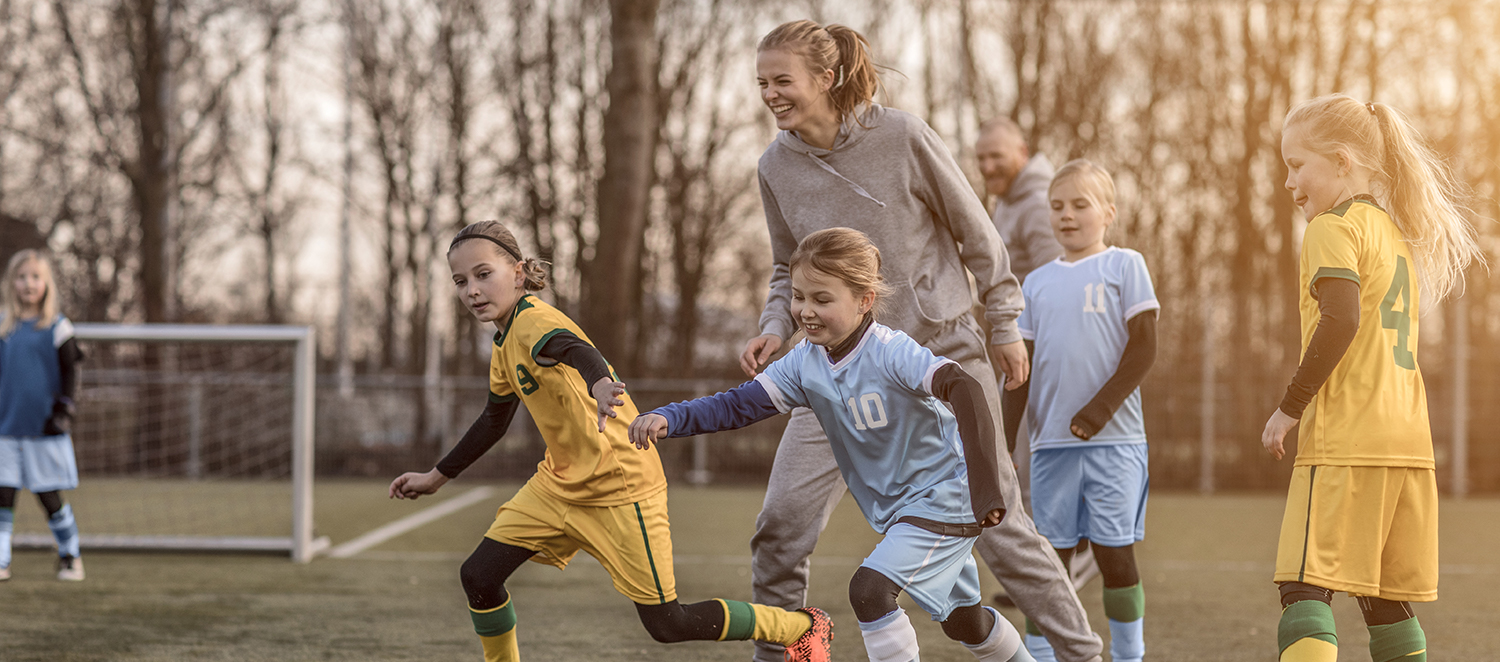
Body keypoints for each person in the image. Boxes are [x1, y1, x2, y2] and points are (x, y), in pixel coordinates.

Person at [740, 19, 1102, 662]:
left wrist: (1003, 324)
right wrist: (775, 328)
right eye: (762, 82)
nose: (770, 93)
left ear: (826, 79)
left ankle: (1083, 656)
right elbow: (782, 266)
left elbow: (978, 236)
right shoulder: (775, 166)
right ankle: (784, 655)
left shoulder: (902, 136)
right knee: (780, 528)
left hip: (944, 360)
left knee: (1003, 526)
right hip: (837, 373)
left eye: (782, 80)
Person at [388, 221, 832, 662]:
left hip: (621, 486)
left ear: (519, 273)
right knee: (479, 577)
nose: (472, 290)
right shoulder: (505, 342)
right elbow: (493, 420)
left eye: (484, 275)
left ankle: (801, 628)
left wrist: (600, 382)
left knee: (668, 624)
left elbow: (573, 349)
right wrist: (435, 477)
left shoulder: (533, 320)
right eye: (461, 281)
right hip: (557, 485)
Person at [634, 228, 1035, 662]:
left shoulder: (891, 352)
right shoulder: (804, 362)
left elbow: (965, 388)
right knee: (965, 622)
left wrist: (986, 487)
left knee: (869, 591)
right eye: (799, 296)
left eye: (822, 300)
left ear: (864, 300)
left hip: (944, 500)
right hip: (902, 513)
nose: (805, 311)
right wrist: (671, 417)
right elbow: (737, 406)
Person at [1262, 94, 1484, 662]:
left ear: (1341, 161)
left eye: (1296, 164)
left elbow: (1341, 320)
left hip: (1345, 439)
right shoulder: (1395, 234)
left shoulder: (1332, 229)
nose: (1289, 182)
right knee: (1384, 602)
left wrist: (1289, 406)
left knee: (1304, 589)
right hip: (1407, 444)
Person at [1000, 160, 1158, 662]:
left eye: (1080, 205)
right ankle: (1043, 656)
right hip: (1051, 449)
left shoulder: (1125, 265)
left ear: (1107, 212)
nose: (1067, 216)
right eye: (1057, 207)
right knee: (1049, 563)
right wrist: (1001, 445)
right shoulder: (1036, 283)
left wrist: (1098, 411)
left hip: (1115, 443)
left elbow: (1144, 349)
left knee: (1115, 555)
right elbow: (1017, 374)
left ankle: (1129, 655)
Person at [974, 117, 1098, 606]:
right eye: (981, 158)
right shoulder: (1010, 201)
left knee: (1033, 463)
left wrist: (1059, 358)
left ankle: (1077, 556)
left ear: (1021, 152)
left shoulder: (1039, 203)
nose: (987, 167)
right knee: (1024, 464)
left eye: (996, 157)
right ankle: (1046, 571)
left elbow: (1064, 275)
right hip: (1020, 350)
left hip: (1044, 354)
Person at [0, 249, 85, 582]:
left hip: (44, 428)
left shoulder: (58, 327)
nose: (28, 284)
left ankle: (70, 554)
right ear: (12, 283)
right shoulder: (4, 325)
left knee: (48, 497)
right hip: (5, 427)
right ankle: (2, 561)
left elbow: (73, 370)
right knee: (3, 495)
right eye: (22, 277)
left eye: (36, 277)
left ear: (46, 283)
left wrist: (65, 410)